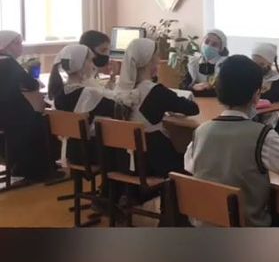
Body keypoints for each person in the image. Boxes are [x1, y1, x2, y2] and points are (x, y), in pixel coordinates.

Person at [184, 55, 279, 226]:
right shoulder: (262, 136)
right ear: (257, 95)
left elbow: (190, 166)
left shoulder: (200, 132)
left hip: (205, 227)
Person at [116, 38, 199, 177]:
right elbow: (193, 108)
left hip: (125, 162)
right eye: (156, 56)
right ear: (149, 60)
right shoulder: (155, 92)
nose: (159, 60)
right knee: (192, 162)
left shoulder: (120, 91)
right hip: (154, 163)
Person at [51, 44, 120, 165]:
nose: (93, 65)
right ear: (81, 64)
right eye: (90, 60)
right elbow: (117, 108)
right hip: (92, 154)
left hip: (72, 152)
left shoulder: (59, 93)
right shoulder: (88, 94)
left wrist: (112, 79)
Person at [0, 30, 55, 180]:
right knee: (44, 121)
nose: (21, 47)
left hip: (4, 113)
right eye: (17, 43)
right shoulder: (8, 62)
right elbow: (30, 84)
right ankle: (39, 169)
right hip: (12, 114)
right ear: (6, 45)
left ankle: (16, 164)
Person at [48, 29, 116, 101]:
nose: (107, 55)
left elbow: (104, 95)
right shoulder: (87, 91)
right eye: (90, 60)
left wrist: (112, 79)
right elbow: (110, 99)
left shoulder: (65, 89)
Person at [251, 42, 279, 138]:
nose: (257, 67)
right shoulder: (248, 76)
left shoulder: (278, 79)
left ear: (269, 64)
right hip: (250, 115)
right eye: (254, 63)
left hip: (270, 117)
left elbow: (274, 100)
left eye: (261, 64)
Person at [181, 29, 229, 96]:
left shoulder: (226, 65)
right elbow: (183, 87)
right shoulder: (194, 63)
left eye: (214, 44)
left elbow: (228, 91)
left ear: (221, 49)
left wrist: (210, 88)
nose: (209, 46)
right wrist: (193, 87)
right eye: (207, 41)